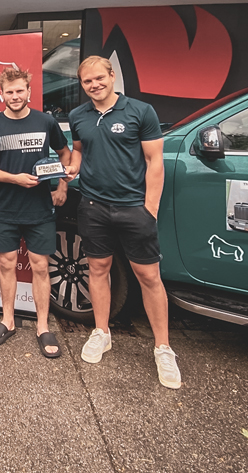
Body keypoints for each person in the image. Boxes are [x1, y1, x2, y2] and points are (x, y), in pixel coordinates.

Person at [64, 55, 181, 388]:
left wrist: (150, 209)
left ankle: (163, 348)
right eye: (87, 81)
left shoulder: (140, 111)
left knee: (148, 276)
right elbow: (79, 151)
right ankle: (102, 332)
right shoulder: (77, 116)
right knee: (98, 269)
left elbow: (154, 161)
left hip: (133, 208)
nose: (94, 85)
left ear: (112, 76)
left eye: (99, 78)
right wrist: (72, 168)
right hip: (92, 206)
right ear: (82, 84)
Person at [0, 67, 70, 357]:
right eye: (9, 91)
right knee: (7, 264)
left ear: (28, 91)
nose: (14, 96)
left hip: (40, 208)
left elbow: (65, 155)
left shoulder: (46, 121)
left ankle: (42, 326)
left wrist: (62, 185)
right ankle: (8, 320)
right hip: (5, 208)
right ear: (1, 94)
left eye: (19, 91)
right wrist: (14, 178)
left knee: (40, 266)